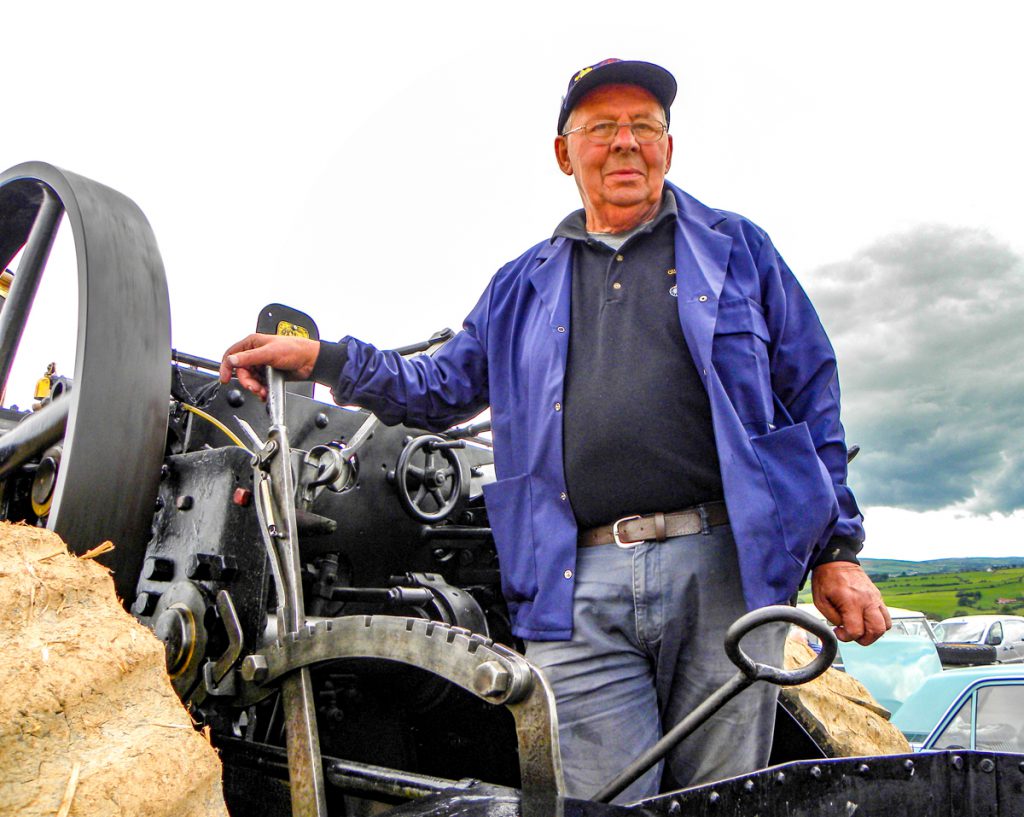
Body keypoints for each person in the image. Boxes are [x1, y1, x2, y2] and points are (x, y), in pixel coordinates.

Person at [220, 59, 891, 802]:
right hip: (576, 579)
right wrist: (324, 357)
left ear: (670, 145)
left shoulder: (740, 250)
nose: (626, 143)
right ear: (564, 153)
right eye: (603, 128)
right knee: (596, 799)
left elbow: (810, 390)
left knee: (723, 797)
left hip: (725, 565)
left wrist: (836, 549)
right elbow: (437, 387)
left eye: (645, 126)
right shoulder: (522, 285)